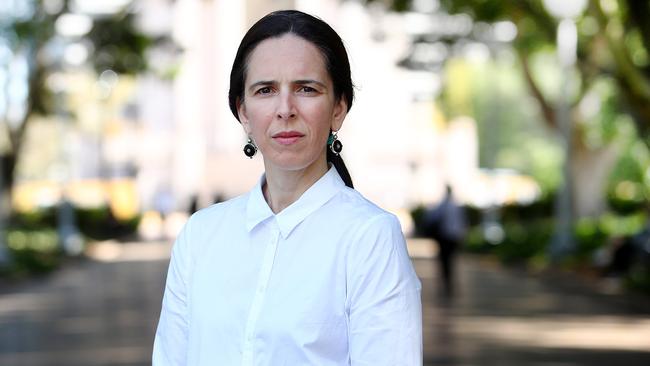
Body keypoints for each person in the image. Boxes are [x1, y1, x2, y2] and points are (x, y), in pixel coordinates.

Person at [152, 10, 422, 366]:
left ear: (338, 108)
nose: (285, 109)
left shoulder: (369, 238)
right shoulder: (200, 236)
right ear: (243, 112)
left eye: (306, 89)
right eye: (265, 90)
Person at [423, 185, 466, 297]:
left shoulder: (444, 205)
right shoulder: (455, 206)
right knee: (449, 261)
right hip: (452, 237)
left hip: (445, 237)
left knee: (445, 261)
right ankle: (448, 284)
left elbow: (431, 218)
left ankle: (447, 283)